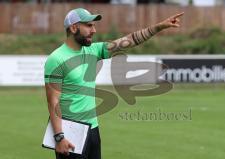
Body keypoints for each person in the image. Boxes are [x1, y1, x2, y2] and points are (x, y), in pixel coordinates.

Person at [44, 7, 183, 159]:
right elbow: (53, 102)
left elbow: (129, 41)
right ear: (73, 27)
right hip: (70, 133)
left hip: (92, 130)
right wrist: (59, 137)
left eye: (94, 26)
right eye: (89, 25)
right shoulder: (56, 59)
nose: (94, 30)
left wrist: (159, 27)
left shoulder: (93, 50)